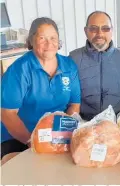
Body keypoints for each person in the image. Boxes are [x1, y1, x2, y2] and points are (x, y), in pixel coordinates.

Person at [1, 17, 81, 164]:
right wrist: (33, 141)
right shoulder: (19, 70)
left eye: (53, 38)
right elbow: (7, 114)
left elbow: (74, 104)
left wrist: (64, 136)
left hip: (55, 136)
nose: (49, 44)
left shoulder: (69, 66)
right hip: (19, 137)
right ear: (31, 40)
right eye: (42, 38)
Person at [69, 11, 120, 121]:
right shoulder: (73, 58)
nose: (99, 34)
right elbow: (69, 100)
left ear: (112, 31)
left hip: (115, 124)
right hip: (83, 124)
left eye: (105, 28)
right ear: (85, 31)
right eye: (93, 29)